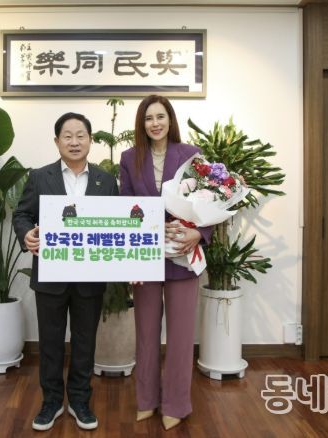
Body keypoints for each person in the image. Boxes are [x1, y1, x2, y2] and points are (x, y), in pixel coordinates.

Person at [12, 112, 119, 432]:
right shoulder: (39, 177)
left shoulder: (105, 181)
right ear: (57, 141)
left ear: (90, 140)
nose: (74, 142)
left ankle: (80, 401)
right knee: (50, 343)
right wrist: (26, 235)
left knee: (85, 343)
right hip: (50, 276)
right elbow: (22, 215)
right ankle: (52, 402)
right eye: (67, 136)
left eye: (80, 135)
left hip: (90, 278)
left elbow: (118, 223)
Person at [119, 95, 213, 430]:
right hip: (145, 256)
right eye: (148, 118)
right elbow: (126, 209)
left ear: (170, 119)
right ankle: (146, 400)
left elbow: (209, 201)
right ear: (141, 124)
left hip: (182, 256)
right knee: (145, 333)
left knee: (181, 335)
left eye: (160, 116)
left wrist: (199, 233)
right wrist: (131, 258)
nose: (155, 123)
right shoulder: (129, 158)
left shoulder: (191, 155)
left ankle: (176, 403)